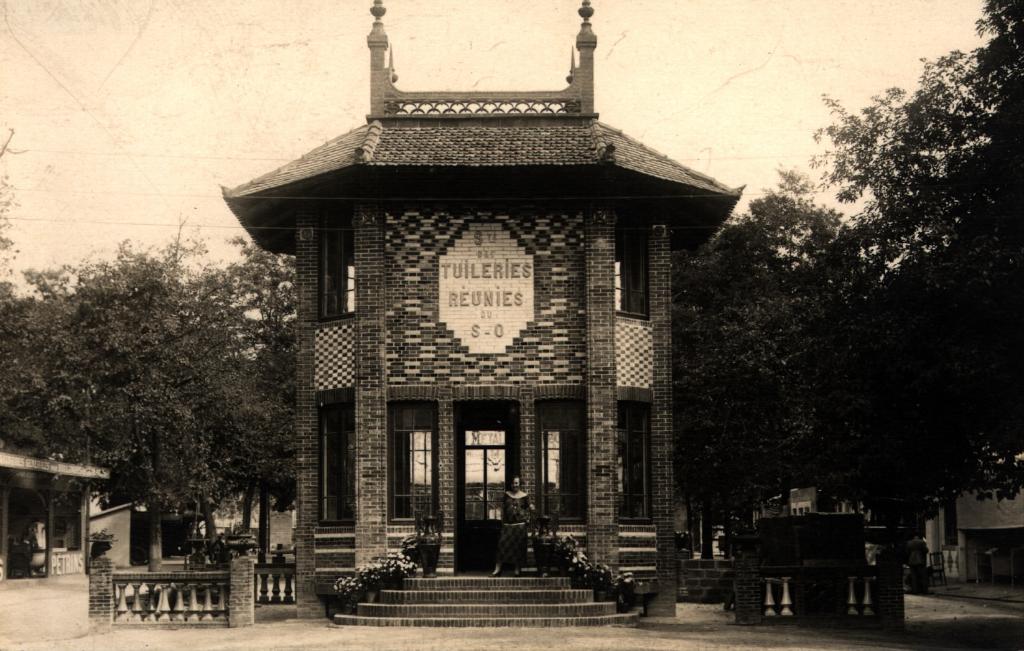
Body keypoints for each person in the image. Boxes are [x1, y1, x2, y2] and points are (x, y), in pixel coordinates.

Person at [492, 476, 533, 577]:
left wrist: (528, 517)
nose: (516, 485)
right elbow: (503, 509)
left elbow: (530, 509)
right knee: (501, 546)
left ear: (520, 484)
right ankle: (497, 570)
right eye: (514, 483)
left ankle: (517, 570)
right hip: (507, 526)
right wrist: (502, 520)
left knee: (518, 548)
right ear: (511, 484)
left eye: (517, 483)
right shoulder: (507, 495)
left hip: (519, 526)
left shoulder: (525, 496)